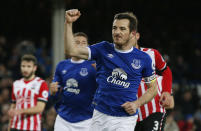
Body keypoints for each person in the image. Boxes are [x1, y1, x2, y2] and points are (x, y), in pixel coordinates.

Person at [64, 9, 158, 131]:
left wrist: (137, 104)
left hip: (124, 119)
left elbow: (153, 88)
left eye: (122, 29)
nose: (117, 32)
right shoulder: (103, 48)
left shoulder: (144, 58)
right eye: (114, 28)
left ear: (132, 33)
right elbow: (71, 51)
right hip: (100, 114)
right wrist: (68, 23)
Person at [49, 32, 97, 131]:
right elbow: (55, 93)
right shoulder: (61, 65)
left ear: (88, 46)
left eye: (83, 43)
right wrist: (53, 91)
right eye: (77, 42)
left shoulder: (94, 66)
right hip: (63, 120)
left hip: (87, 120)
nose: (80, 45)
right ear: (71, 44)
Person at [133, 33, 174, 131]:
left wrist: (167, 92)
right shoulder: (118, 58)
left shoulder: (151, 53)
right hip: (132, 115)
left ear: (136, 35)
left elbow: (166, 71)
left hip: (154, 111)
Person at [8, 54, 49, 131]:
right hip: (15, 127)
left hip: (32, 127)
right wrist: (9, 128)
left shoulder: (41, 84)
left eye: (28, 66)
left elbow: (40, 108)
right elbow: (13, 107)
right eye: (23, 66)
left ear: (34, 68)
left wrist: (21, 111)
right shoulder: (16, 84)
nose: (25, 69)